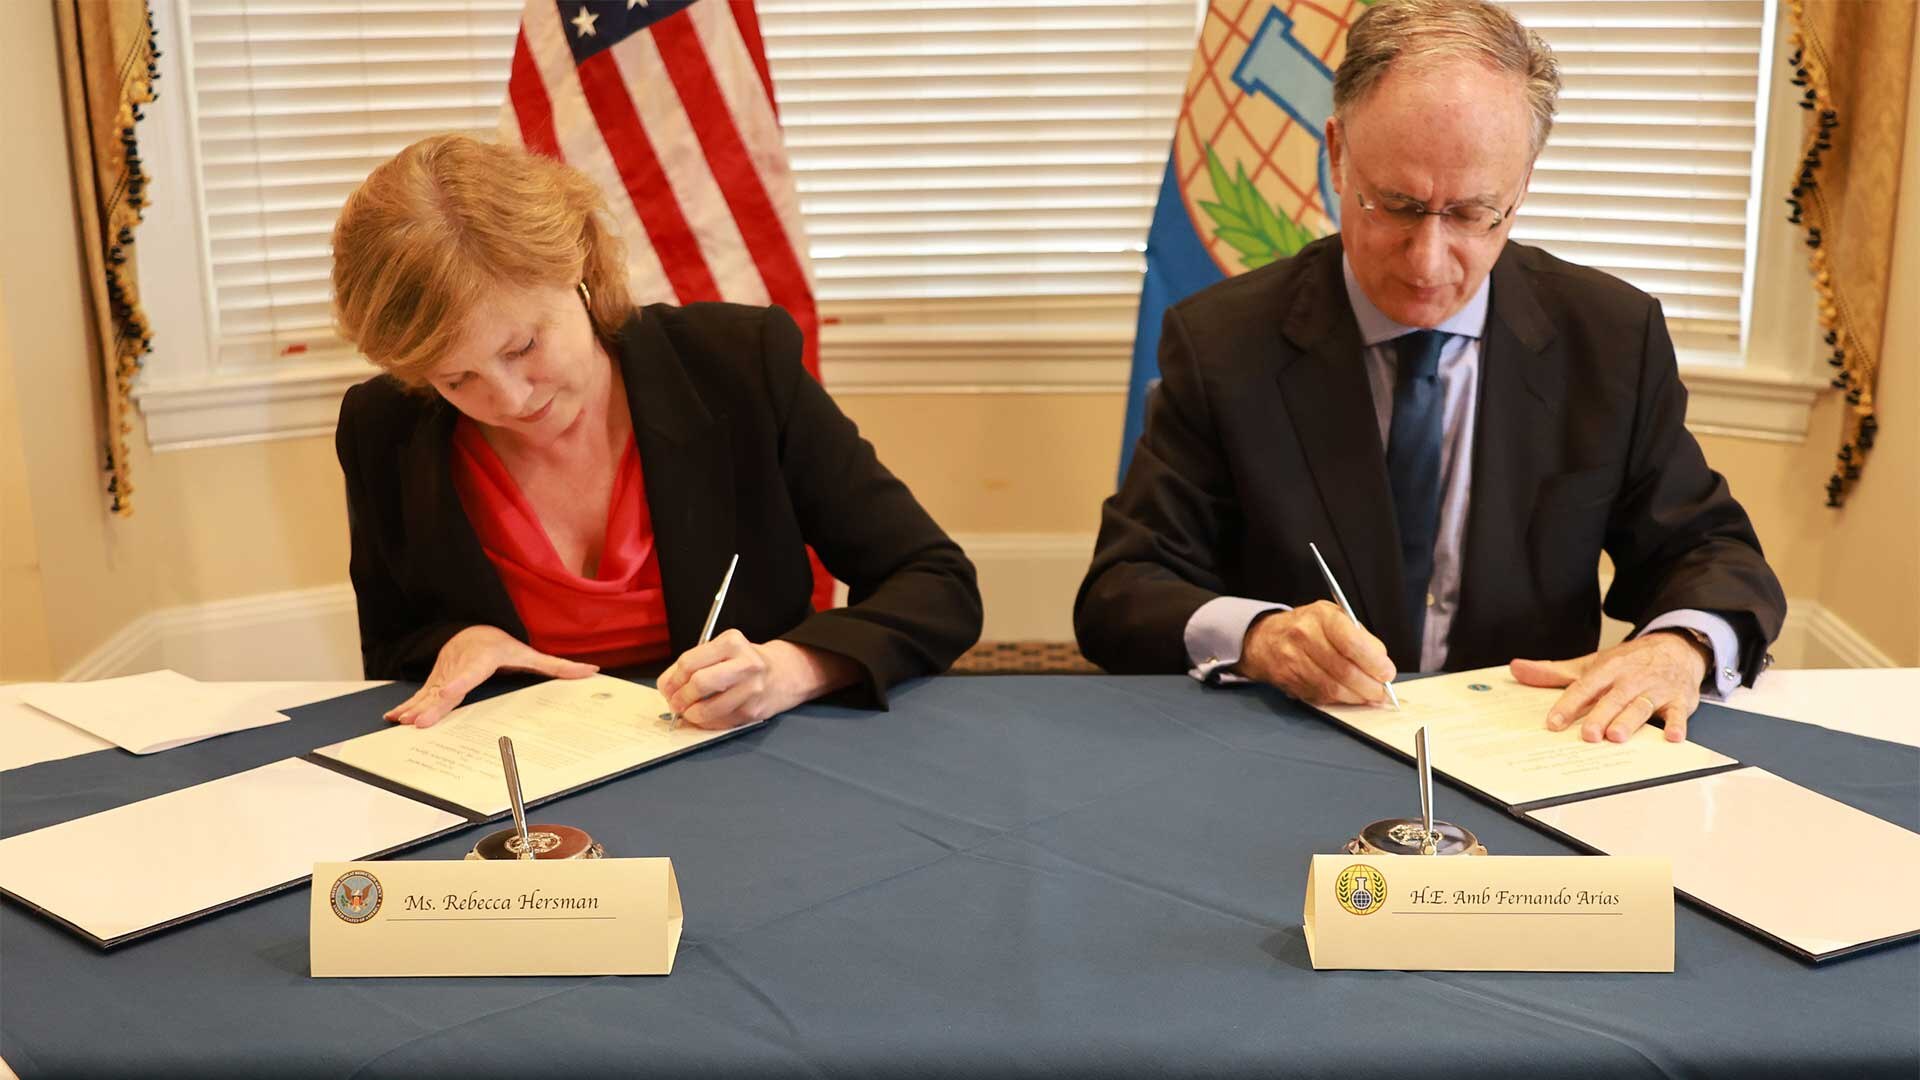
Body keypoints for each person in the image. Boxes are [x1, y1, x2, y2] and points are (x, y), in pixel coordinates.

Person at [1075, 0, 1786, 744]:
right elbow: (1122, 590)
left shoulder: (1609, 337)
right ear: (1337, 153)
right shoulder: (1224, 339)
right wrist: (1259, 637)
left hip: (1529, 743)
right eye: (1397, 206)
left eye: (1474, 213)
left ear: (1523, 184)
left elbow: (1711, 553)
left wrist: (1679, 648)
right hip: (1293, 742)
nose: (1427, 261)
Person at [331, 134, 981, 729]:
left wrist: (790, 671)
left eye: (524, 345)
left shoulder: (738, 367)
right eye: (455, 378)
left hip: (747, 765)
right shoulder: (386, 430)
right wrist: (459, 645)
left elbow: (936, 583)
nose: (508, 398)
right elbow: (391, 655)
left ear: (580, 266)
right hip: (525, 795)